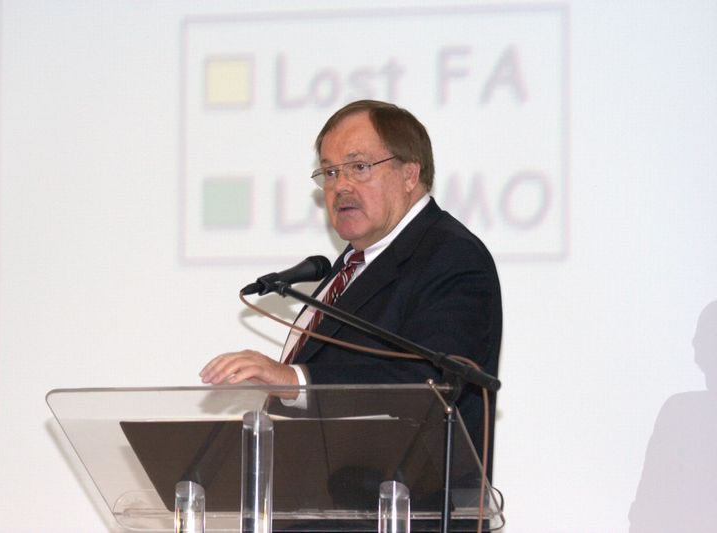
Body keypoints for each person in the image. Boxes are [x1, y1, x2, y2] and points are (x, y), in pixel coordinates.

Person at [200, 99, 502, 463]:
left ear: (409, 174)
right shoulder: (351, 265)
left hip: (406, 494)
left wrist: (294, 380)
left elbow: (430, 383)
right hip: (320, 490)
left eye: (359, 167)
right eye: (329, 172)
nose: (340, 185)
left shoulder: (451, 256)